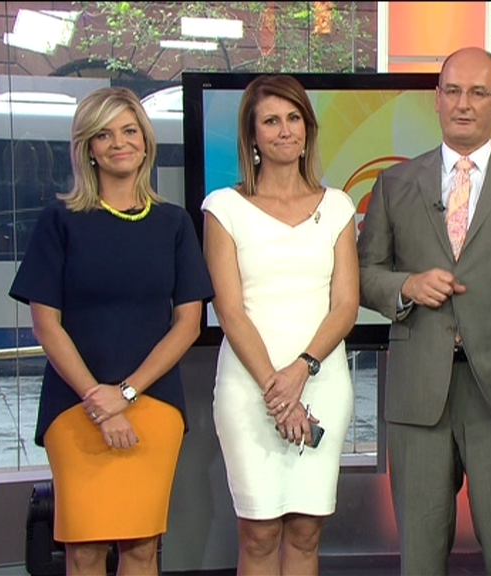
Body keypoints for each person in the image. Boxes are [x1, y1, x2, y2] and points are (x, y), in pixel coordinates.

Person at [357, 47, 491, 575]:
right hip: (419, 392)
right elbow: (362, 276)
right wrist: (407, 284)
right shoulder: (395, 184)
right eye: (453, 91)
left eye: (478, 93)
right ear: (436, 99)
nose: (463, 104)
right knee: (419, 556)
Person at [8, 86, 214, 576]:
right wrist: (97, 399)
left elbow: (187, 323)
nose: (119, 143)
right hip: (76, 405)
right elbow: (46, 323)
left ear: (145, 141)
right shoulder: (59, 221)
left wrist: (125, 393)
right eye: (104, 135)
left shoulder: (174, 224)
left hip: (153, 403)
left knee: (142, 547)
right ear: (88, 149)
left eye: (129, 131)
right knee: (84, 550)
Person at [202, 75, 359, 576]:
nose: (285, 130)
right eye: (271, 121)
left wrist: (301, 371)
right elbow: (230, 310)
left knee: (307, 532)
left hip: (322, 382)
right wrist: (277, 388)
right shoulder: (223, 208)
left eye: (294, 119)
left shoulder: (337, 206)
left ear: (308, 129)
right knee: (260, 533)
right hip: (250, 386)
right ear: (252, 135)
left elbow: (346, 305)